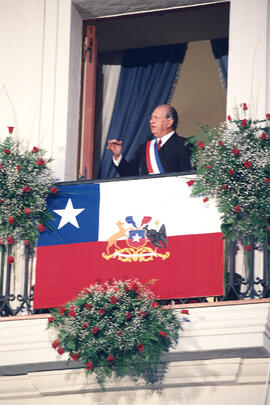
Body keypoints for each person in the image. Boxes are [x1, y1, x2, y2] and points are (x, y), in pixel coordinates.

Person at [107, 104, 192, 176]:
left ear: (169, 122)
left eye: (156, 118)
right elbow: (130, 174)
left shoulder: (184, 145)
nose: (151, 121)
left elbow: (188, 176)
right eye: (151, 118)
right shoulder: (145, 147)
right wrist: (117, 156)